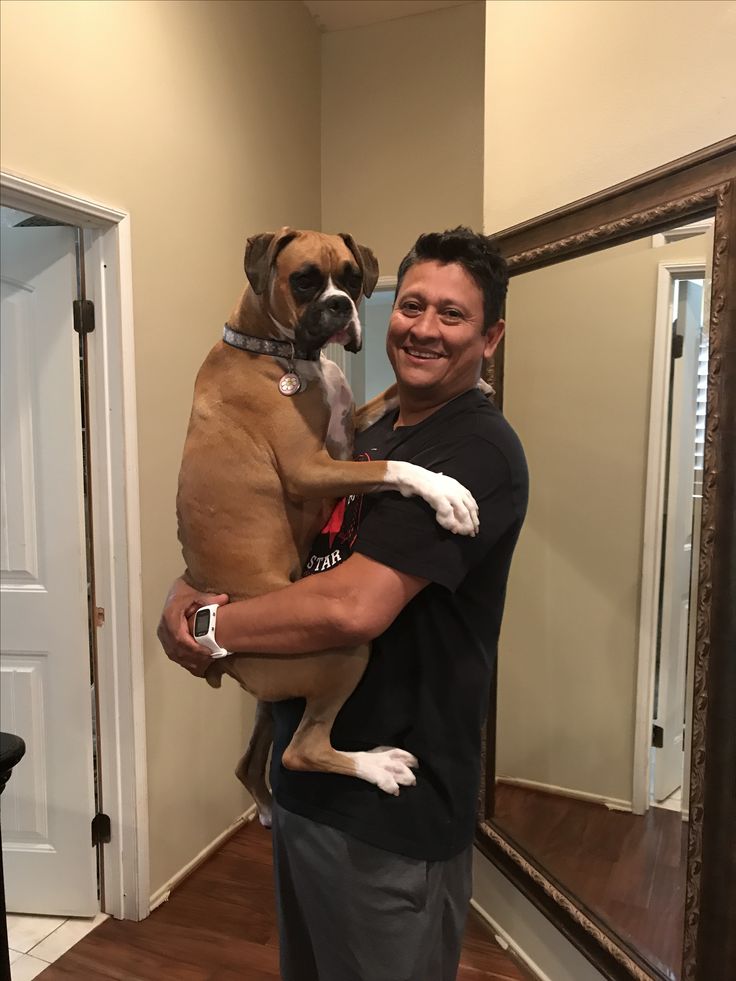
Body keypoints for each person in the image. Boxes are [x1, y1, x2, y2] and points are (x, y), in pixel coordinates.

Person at [158, 226, 528, 981]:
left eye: (451, 316)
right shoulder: (379, 422)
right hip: (306, 790)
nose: (423, 327)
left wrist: (207, 625)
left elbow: (347, 612)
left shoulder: (476, 449)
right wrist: (188, 583)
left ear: (490, 337)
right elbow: (273, 514)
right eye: (411, 303)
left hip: (390, 815)